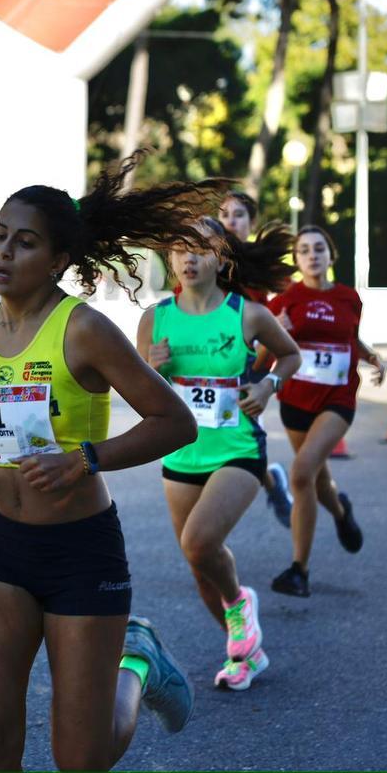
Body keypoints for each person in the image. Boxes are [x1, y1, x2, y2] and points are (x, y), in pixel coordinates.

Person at [0, 155, 228, 771]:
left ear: (58, 261)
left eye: (24, 242)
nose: (3, 252)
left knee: (81, 758)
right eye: (0, 235)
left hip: (80, 551)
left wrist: (85, 459)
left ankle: (137, 663)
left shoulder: (83, 329)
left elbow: (175, 421)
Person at [137, 218, 301, 692]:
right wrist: (152, 369)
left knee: (198, 542)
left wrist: (269, 384)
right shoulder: (155, 318)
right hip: (181, 451)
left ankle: (239, 601)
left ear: (222, 259)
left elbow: (289, 356)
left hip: (238, 447)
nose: (189, 257)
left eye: (201, 248)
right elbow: (141, 395)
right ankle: (245, 653)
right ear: (169, 259)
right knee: (198, 563)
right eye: (179, 248)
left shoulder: (245, 314)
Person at [265, 225, 385, 598]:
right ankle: (340, 510)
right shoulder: (285, 299)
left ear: (330, 256)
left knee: (300, 473)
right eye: (304, 250)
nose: (312, 255)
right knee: (316, 479)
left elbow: (349, 338)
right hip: (295, 400)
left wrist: (371, 356)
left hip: (338, 398)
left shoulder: (349, 298)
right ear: (297, 260)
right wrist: (278, 331)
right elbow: (264, 355)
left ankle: (299, 571)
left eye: (319, 248)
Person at [216, 190, 297, 525]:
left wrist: (279, 324)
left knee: (241, 439)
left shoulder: (262, 262)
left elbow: (288, 301)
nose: (230, 221)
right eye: (224, 215)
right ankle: (271, 478)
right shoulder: (204, 257)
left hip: (250, 362)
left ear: (251, 222)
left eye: (238, 215)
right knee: (222, 438)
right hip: (208, 362)